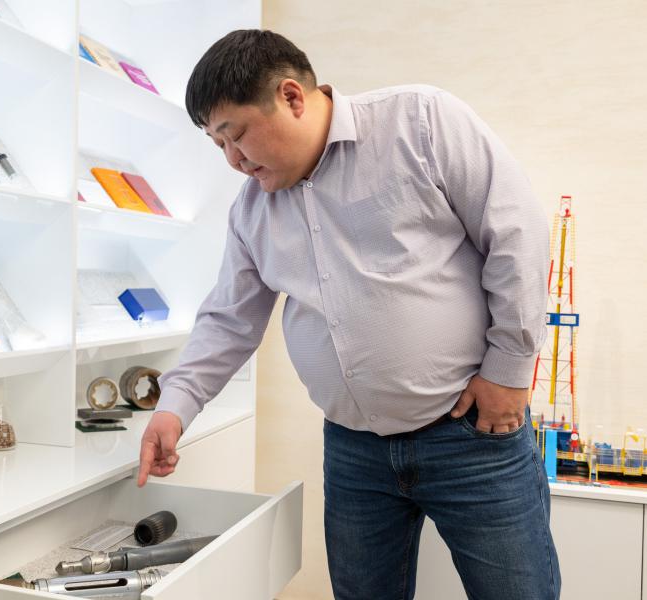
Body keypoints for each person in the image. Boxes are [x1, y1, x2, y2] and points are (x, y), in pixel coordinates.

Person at [136, 29, 560, 599]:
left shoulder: (420, 122)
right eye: (218, 146)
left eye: (236, 135)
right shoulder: (252, 211)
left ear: (291, 96)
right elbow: (230, 319)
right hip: (355, 451)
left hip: (471, 435)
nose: (234, 160)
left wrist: (509, 372)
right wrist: (175, 407)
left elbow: (517, 233)